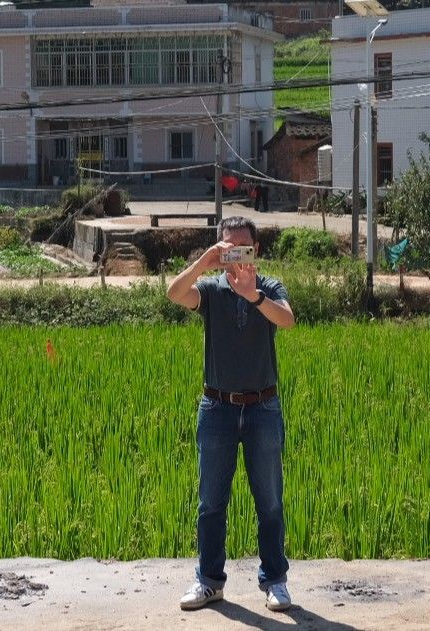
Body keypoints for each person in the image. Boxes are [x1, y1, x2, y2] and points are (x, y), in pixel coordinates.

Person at [165, 215, 297, 612]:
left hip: (263, 407)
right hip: (217, 408)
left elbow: (287, 320)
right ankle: (209, 581)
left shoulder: (268, 287)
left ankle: (275, 581)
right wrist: (204, 262)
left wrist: (253, 295)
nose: (236, 254)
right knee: (210, 502)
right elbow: (174, 294)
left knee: (270, 501)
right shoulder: (211, 289)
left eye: (244, 247)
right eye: (228, 247)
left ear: (256, 251)